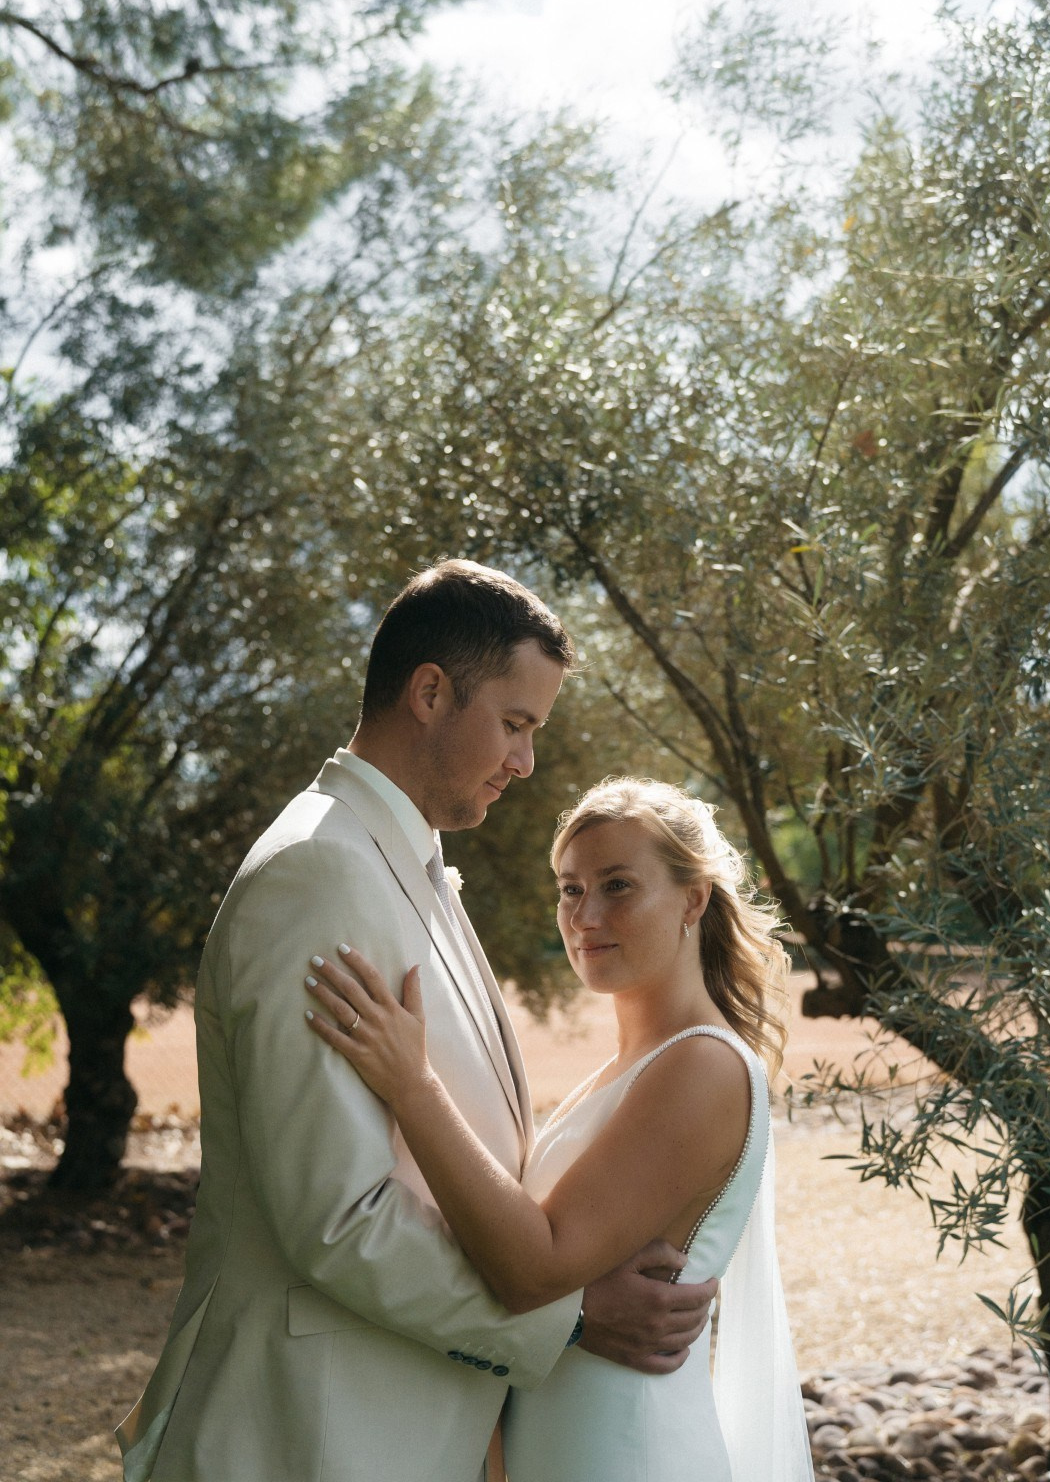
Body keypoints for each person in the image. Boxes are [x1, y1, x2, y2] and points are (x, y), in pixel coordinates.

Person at [118, 561, 715, 1482]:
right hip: (305, 1438)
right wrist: (573, 1317)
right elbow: (338, 1219)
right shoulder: (317, 873)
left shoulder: (404, 864)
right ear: (430, 692)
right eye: (514, 725)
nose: (525, 764)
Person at [304, 776, 816, 1482]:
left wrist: (412, 1085)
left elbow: (534, 1267)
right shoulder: (627, 1070)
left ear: (693, 899)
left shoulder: (702, 1066)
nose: (585, 915)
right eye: (570, 890)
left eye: (617, 886)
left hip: (631, 1454)